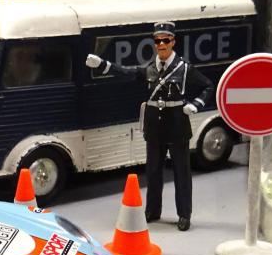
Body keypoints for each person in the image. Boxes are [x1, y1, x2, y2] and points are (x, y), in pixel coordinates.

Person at [85, 21, 212, 230]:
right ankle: (153, 210)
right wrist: (102, 64)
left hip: (177, 127)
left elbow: (207, 85)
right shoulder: (150, 68)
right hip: (155, 128)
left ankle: (184, 214)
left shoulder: (183, 68)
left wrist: (195, 104)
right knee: (153, 172)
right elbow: (125, 71)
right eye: (157, 41)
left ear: (173, 42)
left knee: (181, 174)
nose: (161, 44)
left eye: (165, 40)